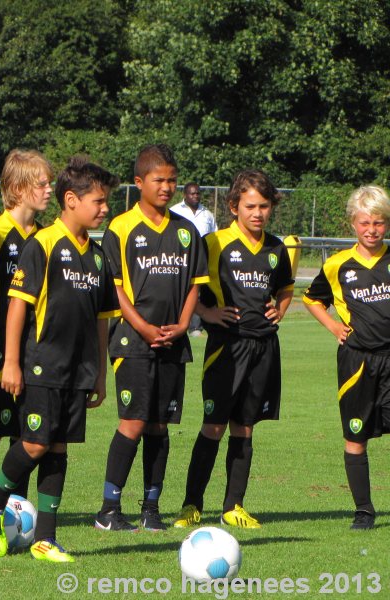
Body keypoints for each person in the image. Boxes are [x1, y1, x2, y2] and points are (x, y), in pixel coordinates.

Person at [0, 156, 118, 563]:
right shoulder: (43, 244)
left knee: (57, 449)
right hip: (41, 365)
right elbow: (17, 307)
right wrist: (12, 363)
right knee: (35, 443)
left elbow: (102, 320)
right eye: (99, 200)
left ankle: (45, 538)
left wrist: (100, 374)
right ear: (71, 200)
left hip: (79, 370)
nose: (104, 208)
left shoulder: (96, 255)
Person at [94, 144, 208, 532]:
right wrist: (142, 327)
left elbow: (195, 285)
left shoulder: (186, 231)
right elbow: (117, 289)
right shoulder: (121, 228)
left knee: (160, 425)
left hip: (174, 341)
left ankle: (151, 507)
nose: (167, 187)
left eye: (172, 180)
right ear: (139, 182)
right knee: (134, 421)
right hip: (132, 341)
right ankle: (109, 509)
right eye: (159, 180)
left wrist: (181, 324)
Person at [173, 169, 294, 530]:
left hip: (263, 348)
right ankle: (191, 504)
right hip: (226, 347)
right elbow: (187, 287)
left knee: (245, 428)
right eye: (250, 206)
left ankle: (233, 506)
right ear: (233, 206)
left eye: (264, 206)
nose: (258, 213)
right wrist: (208, 312)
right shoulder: (214, 243)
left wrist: (280, 310)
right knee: (213, 426)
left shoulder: (275, 248)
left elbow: (286, 288)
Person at [304, 185, 390, 530]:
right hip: (356, 362)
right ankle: (364, 512)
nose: (372, 229)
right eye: (365, 222)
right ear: (353, 224)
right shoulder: (337, 264)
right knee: (356, 435)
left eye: (379, 223)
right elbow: (312, 299)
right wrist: (334, 327)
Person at [0, 149, 53, 495]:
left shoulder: (46, 235)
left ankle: (17, 503)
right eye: (42, 183)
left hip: (35, 349)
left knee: (25, 426)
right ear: (18, 188)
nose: (49, 190)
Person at [171, 183, 218, 336]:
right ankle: (175, 323)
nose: (195, 196)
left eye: (197, 193)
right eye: (192, 193)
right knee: (178, 290)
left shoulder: (207, 214)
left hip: (200, 258)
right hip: (179, 258)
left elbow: (214, 236)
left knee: (197, 290)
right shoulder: (174, 211)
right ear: (185, 194)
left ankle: (196, 327)